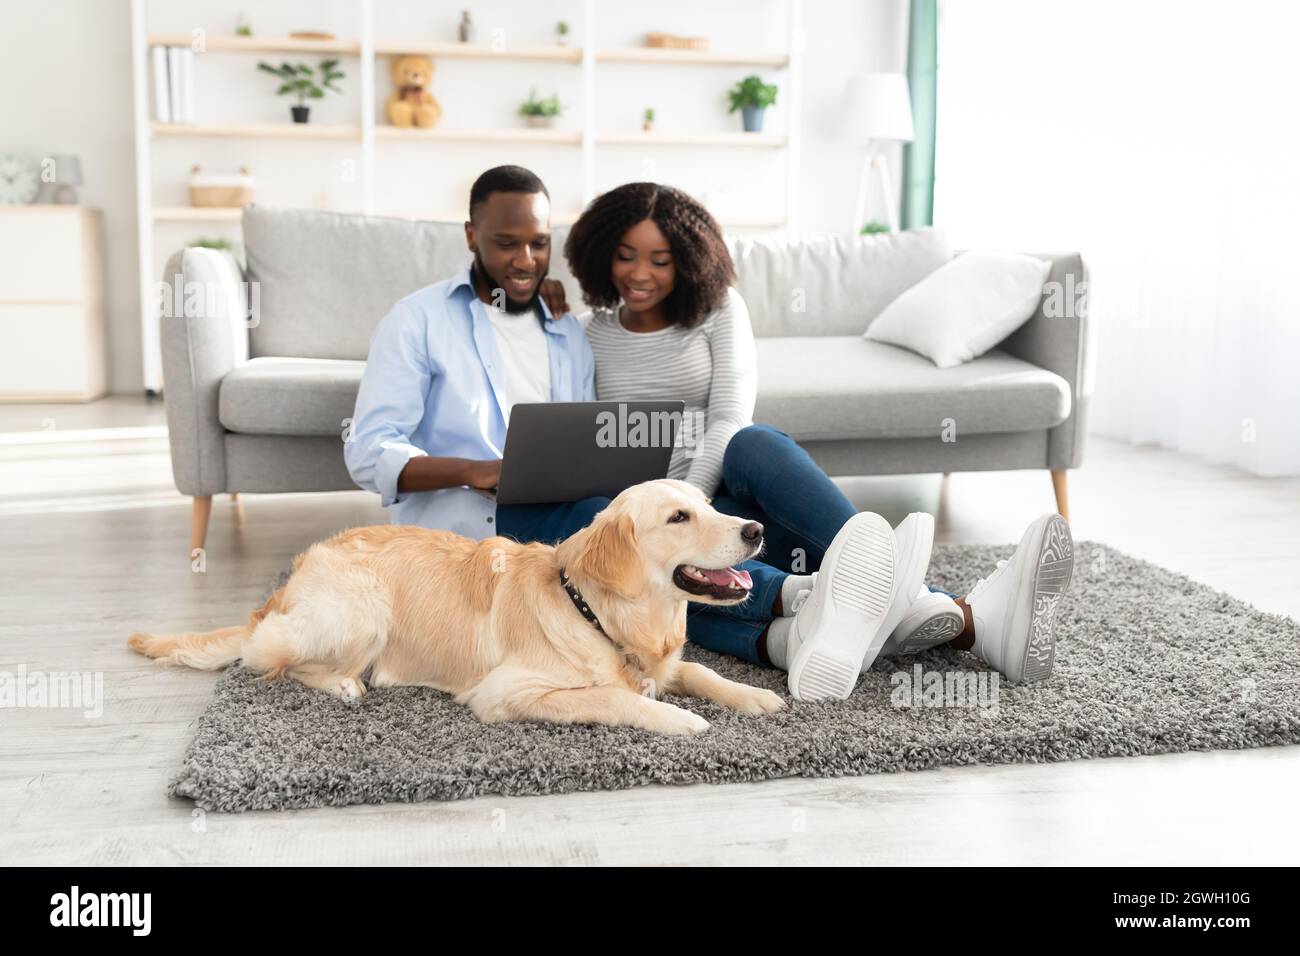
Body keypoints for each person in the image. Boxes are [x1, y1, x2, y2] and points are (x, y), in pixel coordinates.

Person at [551, 182, 1075, 697]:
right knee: (654, 572)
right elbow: (586, 437)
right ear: (600, 255)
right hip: (659, 527)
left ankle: (855, 599)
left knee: (754, 442)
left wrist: (696, 510)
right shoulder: (588, 331)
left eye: (660, 260)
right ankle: (961, 618)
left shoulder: (719, 310)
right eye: (625, 256)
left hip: (716, 497)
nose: (640, 273)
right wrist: (674, 523)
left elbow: (729, 416)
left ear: (688, 260)